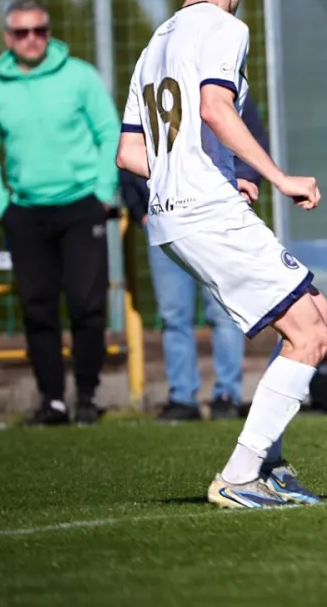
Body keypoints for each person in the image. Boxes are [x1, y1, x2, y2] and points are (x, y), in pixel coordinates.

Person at [117, 0, 327, 509]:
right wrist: (278, 177)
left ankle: (270, 466)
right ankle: (240, 474)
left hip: (173, 215)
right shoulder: (224, 29)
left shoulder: (154, 45)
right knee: (310, 333)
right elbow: (215, 108)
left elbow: (129, 153)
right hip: (205, 212)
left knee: (316, 312)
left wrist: (199, 171)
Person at [0, 0, 121, 427]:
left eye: (39, 30)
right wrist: (2, 204)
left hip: (82, 206)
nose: (32, 39)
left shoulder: (80, 76)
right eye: (22, 32)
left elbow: (109, 131)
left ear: (49, 33)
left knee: (87, 304)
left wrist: (103, 192)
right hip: (25, 212)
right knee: (37, 308)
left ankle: (87, 396)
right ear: (8, 38)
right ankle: (52, 400)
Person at [121, 92, 272, 421]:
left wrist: (243, 183)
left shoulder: (224, 85)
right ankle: (182, 397)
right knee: (174, 315)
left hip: (217, 220)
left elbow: (251, 139)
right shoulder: (151, 83)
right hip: (164, 220)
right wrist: (140, 210)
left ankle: (227, 395)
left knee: (225, 310)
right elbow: (128, 149)